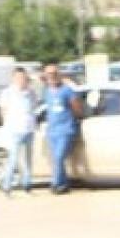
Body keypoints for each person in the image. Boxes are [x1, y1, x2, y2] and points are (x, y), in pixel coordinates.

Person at [41, 62, 82, 194]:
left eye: (54, 73)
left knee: (59, 157)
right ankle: (64, 185)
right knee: (56, 159)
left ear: (59, 74)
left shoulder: (67, 90)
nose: (51, 76)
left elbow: (77, 108)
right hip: (52, 131)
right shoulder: (47, 91)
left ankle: (56, 184)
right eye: (49, 74)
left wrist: (74, 121)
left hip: (66, 130)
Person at [0, 66, 37, 196]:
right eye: (18, 77)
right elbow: (3, 111)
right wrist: (7, 127)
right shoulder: (7, 93)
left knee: (28, 160)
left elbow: (33, 108)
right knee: (13, 159)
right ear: (13, 78)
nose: (21, 80)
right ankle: (7, 186)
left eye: (23, 77)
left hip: (29, 129)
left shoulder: (31, 92)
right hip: (15, 131)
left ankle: (27, 186)